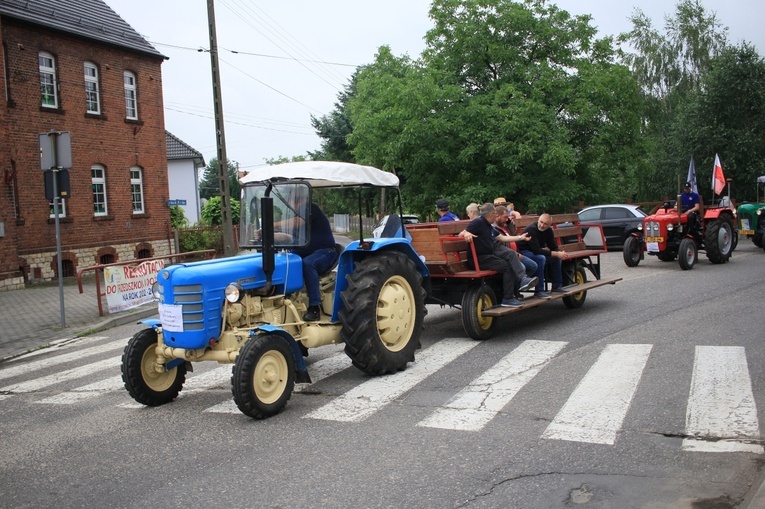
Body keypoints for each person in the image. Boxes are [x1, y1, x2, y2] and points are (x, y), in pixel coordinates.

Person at [459, 203, 537, 308]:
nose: (496, 216)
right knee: (507, 267)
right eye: (495, 213)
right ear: (491, 214)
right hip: (479, 259)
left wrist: (520, 237)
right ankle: (508, 298)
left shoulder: (488, 225)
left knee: (511, 254)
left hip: (488, 256)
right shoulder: (479, 222)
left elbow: (502, 238)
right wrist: (467, 234)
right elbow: (461, 234)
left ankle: (523, 280)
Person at [292, 202, 338, 322]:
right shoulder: (295, 215)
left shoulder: (309, 208)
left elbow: (297, 222)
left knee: (308, 263)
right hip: (308, 252)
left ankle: (314, 307)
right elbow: (286, 237)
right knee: (286, 260)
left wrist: (270, 224)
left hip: (326, 252)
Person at [516, 213, 571, 299]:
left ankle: (557, 286)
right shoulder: (531, 229)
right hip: (524, 251)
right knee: (540, 258)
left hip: (535, 251)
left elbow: (553, 246)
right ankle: (539, 291)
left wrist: (560, 254)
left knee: (556, 258)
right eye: (541, 222)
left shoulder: (548, 231)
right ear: (538, 220)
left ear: (549, 225)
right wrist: (556, 253)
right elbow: (536, 250)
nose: (542, 225)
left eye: (545, 224)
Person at [494, 205, 538, 295]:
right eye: (505, 217)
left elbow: (514, 234)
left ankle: (517, 287)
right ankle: (513, 291)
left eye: (507, 217)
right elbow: (499, 247)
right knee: (523, 267)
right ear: (497, 216)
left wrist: (510, 223)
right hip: (507, 256)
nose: (507, 219)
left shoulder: (505, 225)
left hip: (515, 253)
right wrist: (515, 254)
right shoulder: (494, 228)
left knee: (533, 265)